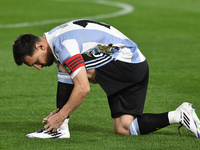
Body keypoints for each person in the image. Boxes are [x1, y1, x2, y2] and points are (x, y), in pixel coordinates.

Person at [12, 19, 200, 139]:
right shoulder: (56, 36)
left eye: (35, 62)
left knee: (66, 66)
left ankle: (61, 128)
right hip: (135, 65)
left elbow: (83, 88)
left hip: (127, 64)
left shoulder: (62, 45)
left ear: (39, 47)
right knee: (124, 127)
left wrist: (61, 116)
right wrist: (62, 110)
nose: (38, 67)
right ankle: (180, 115)